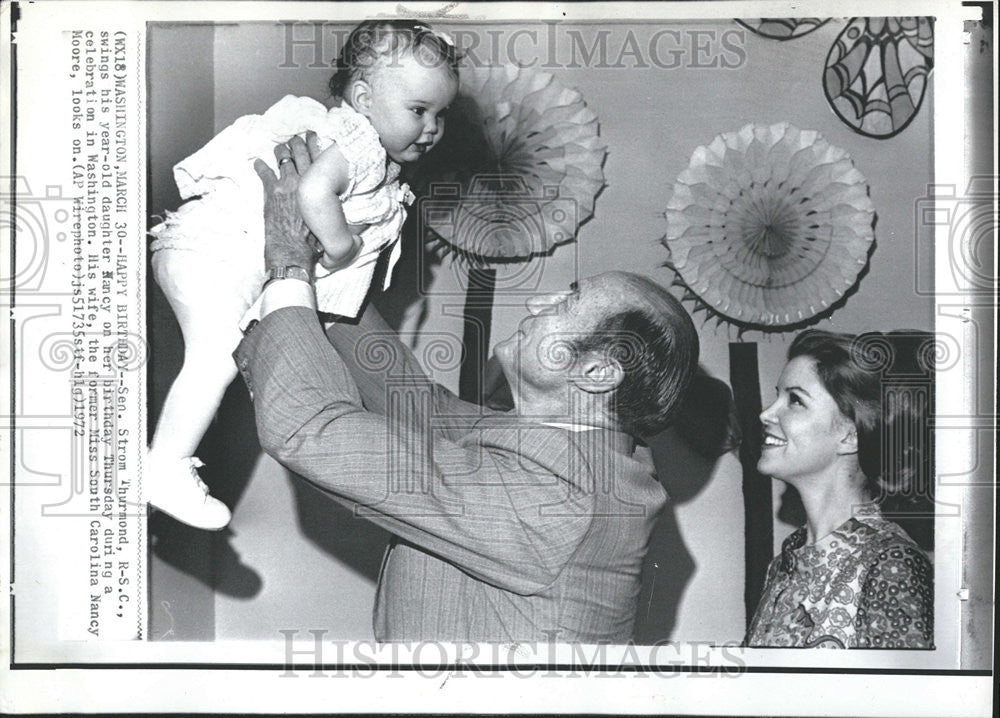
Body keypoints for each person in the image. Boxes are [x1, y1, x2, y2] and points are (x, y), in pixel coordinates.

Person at [233, 135, 700, 642]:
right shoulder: (583, 457)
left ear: (597, 373)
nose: (539, 302)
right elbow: (421, 410)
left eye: (566, 301)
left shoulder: (563, 491)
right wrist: (332, 269)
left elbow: (308, 429)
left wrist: (287, 263)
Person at [147, 20, 459, 529]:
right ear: (363, 98)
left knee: (220, 357)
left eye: (441, 114)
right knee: (215, 358)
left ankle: (166, 462)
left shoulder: (366, 151)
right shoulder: (360, 143)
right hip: (215, 254)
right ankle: (164, 467)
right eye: (418, 111)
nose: (432, 129)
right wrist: (343, 243)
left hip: (218, 258)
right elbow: (312, 192)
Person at [745, 330, 934, 649]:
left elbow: (899, 696)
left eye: (794, 400)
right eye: (778, 395)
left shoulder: (891, 563)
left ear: (851, 436)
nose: (766, 413)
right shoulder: (784, 564)